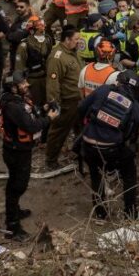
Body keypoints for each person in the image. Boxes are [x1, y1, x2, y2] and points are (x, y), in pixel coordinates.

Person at [0, 71, 57, 237]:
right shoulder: (12, 106)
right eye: (22, 83)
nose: (26, 85)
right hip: (17, 151)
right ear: (13, 88)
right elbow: (31, 126)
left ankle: (15, 211)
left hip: (16, 148)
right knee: (17, 186)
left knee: (15, 184)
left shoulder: (14, 100)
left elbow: (29, 112)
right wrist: (50, 118)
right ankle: (12, 227)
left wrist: (44, 108)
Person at [78, 70, 139, 219]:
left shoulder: (104, 90)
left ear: (119, 81)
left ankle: (100, 213)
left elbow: (81, 107)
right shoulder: (135, 106)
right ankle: (130, 211)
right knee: (130, 171)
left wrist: (88, 126)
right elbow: (130, 132)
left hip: (88, 143)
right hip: (111, 148)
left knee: (96, 175)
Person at [44, 27, 84, 169]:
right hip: (67, 102)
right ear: (67, 39)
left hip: (78, 100)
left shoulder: (73, 52)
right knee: (59, 131)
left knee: (80, 128)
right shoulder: (57, 57)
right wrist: (54, 103)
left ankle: (80, 154)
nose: (79, 42)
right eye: (76, 39)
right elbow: (53, 82)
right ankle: (51, 160)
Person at [14, 15, 51, 106]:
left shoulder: (48, 40)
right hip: (32, 81)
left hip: (46, 79)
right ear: (32, 30)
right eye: (39, 28)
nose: (43, 30)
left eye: (43, 27)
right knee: (35, 105)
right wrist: (23, 85)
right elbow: (19, 68)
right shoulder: (24, 46)